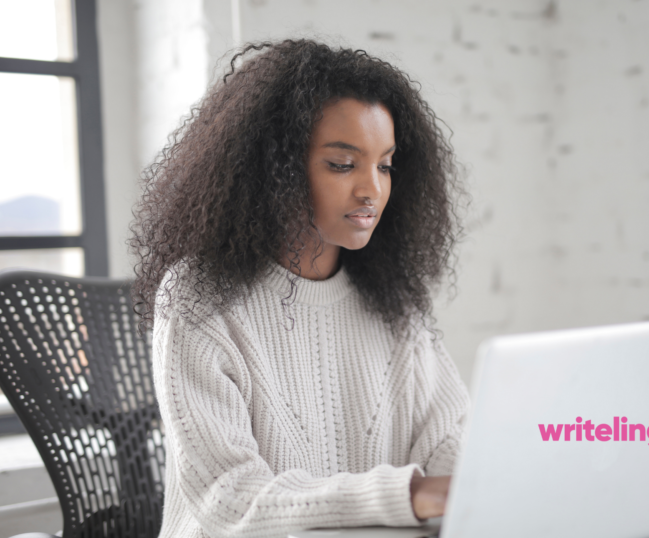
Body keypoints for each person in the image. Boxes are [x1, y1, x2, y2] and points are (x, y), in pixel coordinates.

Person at [129, 39, 470, 538]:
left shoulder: (394, 300)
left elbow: (447, 437)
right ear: (275, 171)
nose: (371, 190)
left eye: (385, 164)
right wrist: (410, 495)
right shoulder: (199, 297)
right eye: (342, 164)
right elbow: (229, 499)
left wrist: (466, 483)